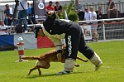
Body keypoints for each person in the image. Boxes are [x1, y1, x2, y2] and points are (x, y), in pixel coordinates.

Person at [35, 11, 103, 74]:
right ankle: (97, 62)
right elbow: (57, 41)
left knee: (70, 49)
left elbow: (52, 16)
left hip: (70, 29)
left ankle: (68, 69)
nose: (39, 36)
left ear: (40, 30)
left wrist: (51, 13)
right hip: (75, 27)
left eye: (38, 34)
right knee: (82, 47)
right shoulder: (47, 34)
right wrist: (59, 52)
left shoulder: (46, 25)